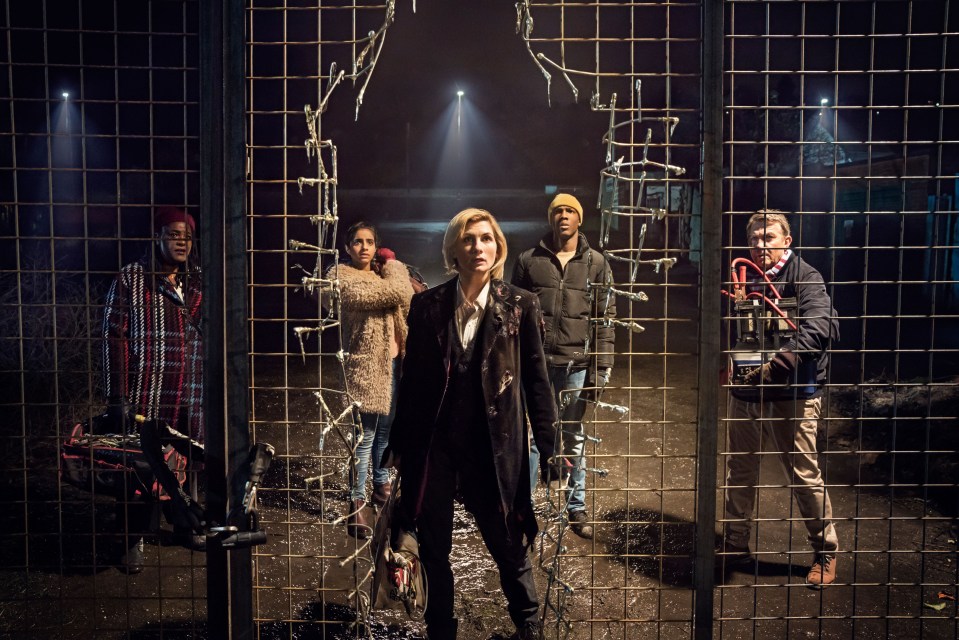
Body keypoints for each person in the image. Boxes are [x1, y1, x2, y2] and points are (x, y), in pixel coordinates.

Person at [384, 208, 557, 640]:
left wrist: (552, 446)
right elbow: (413, 384)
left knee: (508, 540)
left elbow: (537, 382)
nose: (478, 247)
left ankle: (529, 626)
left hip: (493, 448)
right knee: (434, 546)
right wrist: (399, 444)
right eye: (468, 239)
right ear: (454, 251)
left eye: (485, 238)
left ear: (497, 247)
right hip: (437, 447)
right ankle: (440, 628)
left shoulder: (520, 305)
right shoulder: (427, 305)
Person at [721, 210, 840, 587]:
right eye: (754, 238)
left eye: (768, 237)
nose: (760, 245)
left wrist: (780, 363)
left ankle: (826, 551)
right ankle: (735, 546)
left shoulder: (805, 276)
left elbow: (822, 326)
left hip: (794, 390)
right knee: (740, 468)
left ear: (786, 241)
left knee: (803, 473)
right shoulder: (743, 279)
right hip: (748, 390)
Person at [102, 206, 203, 573]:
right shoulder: (133, 278)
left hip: (189, 387)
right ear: (157, 237)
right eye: (173, 234)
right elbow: (115, 337)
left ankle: (185, 524)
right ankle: (133, 537)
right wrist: (118, 395)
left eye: (187, 236)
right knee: (142, 463)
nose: (181, 242)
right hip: (150, 386)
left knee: (188, 457)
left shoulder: (196, 281)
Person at [511, 193, 616, 539]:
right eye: (558, 211)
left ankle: (576, 507)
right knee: (527, 435)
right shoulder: (529, 260)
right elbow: (513, 317)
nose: (564, 216)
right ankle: (521, 506)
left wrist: (601, 369)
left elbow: (605, 319)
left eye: (570, 211)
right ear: (551, 218)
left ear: (580, 219)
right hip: (535, 365)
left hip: (576, 364)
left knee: (572, 436)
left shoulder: (596, 263)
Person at [331, 221, 413, 539]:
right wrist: (393, 265)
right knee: (363, 438)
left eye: (369, 242)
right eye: (357, 241)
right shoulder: (342, 277)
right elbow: (397, 291)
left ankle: (380, 485)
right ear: (347, 247)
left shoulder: (379, 276)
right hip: (364, 368)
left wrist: (388, 270)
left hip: (392, 364)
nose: (364, 247)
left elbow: (404, 301)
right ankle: (356, 501)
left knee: (385, 432)